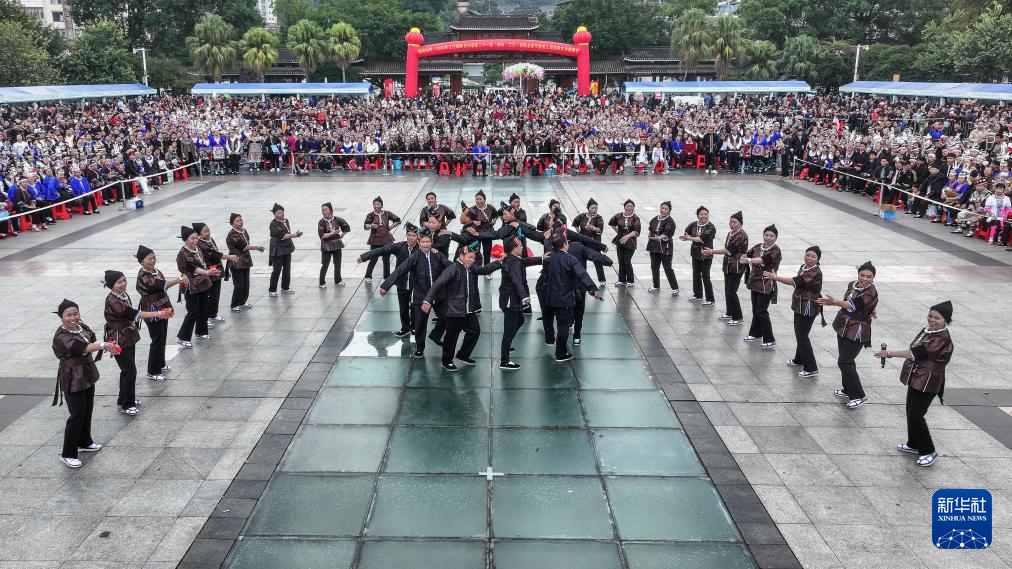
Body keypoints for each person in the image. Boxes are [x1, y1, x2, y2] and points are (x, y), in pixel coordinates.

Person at [874, 300, 954, 468]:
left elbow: (916, 352)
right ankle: (914, 444)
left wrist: (889, 353)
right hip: (918, 377)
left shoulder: (941, 338)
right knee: (910, 411)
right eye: (930, 316)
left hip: (928, 381)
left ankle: (929, 451)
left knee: (917, 415)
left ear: (946, 321)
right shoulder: (927, 331)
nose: (932, 320)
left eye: (937, 318)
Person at [421, 243, 502, 372]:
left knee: (475, 331)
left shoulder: (470, 268)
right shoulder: (452, 269)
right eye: (470, 257)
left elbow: (483, 270)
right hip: (454, 311)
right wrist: (427, 301)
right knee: (451, 338)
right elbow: (437, 284)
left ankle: (463, 355)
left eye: (473, 258)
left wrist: (499, 262)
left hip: (468, 310)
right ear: (461, 256)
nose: (472, 260)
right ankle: (447, 361)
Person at [52, 299, 114, 468]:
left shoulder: (82, 327)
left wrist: (103, 345)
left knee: (87, 409)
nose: (73, 318)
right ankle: (68, 454)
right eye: (68, 315)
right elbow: (84, 347)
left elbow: (90, 341)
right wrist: (104, 345)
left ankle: (84, 441)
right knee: (77, 414)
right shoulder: (61, 336)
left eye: (75, 314)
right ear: (61, 316)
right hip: (72, 377)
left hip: (87, 373)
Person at [103, 270, 173, 416]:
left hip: (127, 335)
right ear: (111, 285)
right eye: (119, 282)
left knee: (128, 370)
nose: (123, 284)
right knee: (129, 370)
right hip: (118, 338)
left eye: (124, 280)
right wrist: (159, 313)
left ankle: (125, 399)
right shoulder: (112, 300)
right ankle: (126, 404)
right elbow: (135, 314)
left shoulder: (122, 295)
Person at [380, 229, 451, 358]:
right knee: (420, 324)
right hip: (420, 296)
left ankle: (435, 335)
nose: (425, 244)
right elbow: (400, 270)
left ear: (431, 242)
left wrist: (462, 266)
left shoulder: (438, 255)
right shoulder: (415, 257)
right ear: (419, 243)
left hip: (437, 294)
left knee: (446, 317)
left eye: (427, 242)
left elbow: (450, 266)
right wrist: (386, 286)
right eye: (423, 242)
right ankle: (420, 347)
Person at [818, 261, 879, 409]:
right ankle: (847, 389)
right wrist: (870, 309)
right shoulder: (852, 284)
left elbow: (852, 305)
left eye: (869, 277)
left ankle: (858, 396)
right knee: (846, 360)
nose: (865, 279)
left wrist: (834, 302)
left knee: (844, 361)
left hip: (857, 330)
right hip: (843, 326)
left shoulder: (871, 292)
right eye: (862, 275)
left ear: (873, 278)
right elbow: (849, 300)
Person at [538, 231, 604, 361]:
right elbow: (582, 275)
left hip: (548, 296)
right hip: (564, 299)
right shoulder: (570, 259)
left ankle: (549, 339)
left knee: (548, 318)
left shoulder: (548, 256)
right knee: (563, 326)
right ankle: (561, 353)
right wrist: (593, 289)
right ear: (565, 244)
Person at [765, 246, 824, 378]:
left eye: (813, 256)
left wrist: (776, 277)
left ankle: (811, 368)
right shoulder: (804, 267)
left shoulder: (815, 272)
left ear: (818, 259)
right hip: (800, 304)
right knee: (799, 334)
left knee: (802, 336)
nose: (809, 258)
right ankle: (799, 359)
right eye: (807, 255)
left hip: (808, 306)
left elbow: (794, 281)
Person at [360, 222, 420, 337]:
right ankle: (405, 328)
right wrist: (364, 257)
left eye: (413, 236)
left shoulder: (421, 248)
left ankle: (414, 326)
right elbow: (382, 250)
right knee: (403, 308)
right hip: (402, 283)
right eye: (409, 235)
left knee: (415, 307)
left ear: (417, 237)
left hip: (416, 284)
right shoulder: (400, 247)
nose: (411, 238)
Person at [135, 245, 185, 380]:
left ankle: (161, 364)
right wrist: (179, 279)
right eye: (149, 259)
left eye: (154, 258)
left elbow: (162, 289)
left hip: (162, 305)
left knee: (162, 337)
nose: (153, 261)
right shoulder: (143, 276)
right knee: (156, 339)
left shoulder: (155, 271)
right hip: (151, 309)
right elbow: (161, 285)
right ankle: (153, 371)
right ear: (142, 261)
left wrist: (168, 306)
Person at [497, 237, 543, 369]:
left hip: (510, 300)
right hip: (510, 302)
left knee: (520, 321)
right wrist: (524, 297)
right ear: (514, 249)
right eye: (520, 246)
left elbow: (526, 261)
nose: (523, 247)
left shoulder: (513, 259)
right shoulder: (514, 263)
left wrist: (541, 259)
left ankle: (506, 345)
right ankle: (504, 361)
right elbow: (516, 280)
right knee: (509, 329)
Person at [176, 225, 220, 347]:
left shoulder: (197, 249)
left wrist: (209, 271)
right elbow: (194, 268)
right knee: (192, 311)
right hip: (191, 284)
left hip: (202, 283)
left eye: (196, 238)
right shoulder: (183, 253)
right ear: (186, 239)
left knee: (203, 308)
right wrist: (207, 272)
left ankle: (201, 332)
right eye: (192, 238)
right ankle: (182, 337)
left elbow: (202, 264)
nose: (195, 240)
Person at [703, 211, 748, 326]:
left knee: (732, 292)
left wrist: (712, 251)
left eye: (734, 222)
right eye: (731, 222)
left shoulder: (741, 235)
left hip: (737, 266)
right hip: (728, 266)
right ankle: (729, 312)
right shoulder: (730, 233)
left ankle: (738, 317)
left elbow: (728, 250)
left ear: (740, 223)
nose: (732, 224)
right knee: (727, 290)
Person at [741, 224, 782, 348]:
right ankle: (755, 333)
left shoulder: (776, 251)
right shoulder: (758, 246)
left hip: (767, 283)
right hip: (755, 282)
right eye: (766, 235)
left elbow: (762, 259)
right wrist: (744, 256)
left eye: (772, 236)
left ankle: (770, 339)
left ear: (776, 237)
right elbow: (748, 254)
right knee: (755, 310)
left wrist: (748, 260)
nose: (768, 238)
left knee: (762, 311)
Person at [193, 222, 234, 326]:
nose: (208, 232)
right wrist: (230, 257)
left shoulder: (210, 239)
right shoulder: (200, 244)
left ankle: (213, 314)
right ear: (199, 234)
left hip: (217, 270)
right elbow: (215, 254)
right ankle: (205, 317)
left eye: (208, 230)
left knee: (216, 295)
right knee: (209, 296)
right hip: (208, 271)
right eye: (205, 231)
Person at [225, 213, 264, 311]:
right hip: (237, 261)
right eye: (237, 221)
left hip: (246, 260)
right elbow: (244, 246)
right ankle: (234, 304)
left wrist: (251, 247)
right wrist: (257, 247)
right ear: (232, 223)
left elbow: (247, 243)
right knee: (239, 284)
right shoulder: (232, 234)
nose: (240, 222)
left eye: (241, 220)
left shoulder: (244, 231)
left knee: (246, 283)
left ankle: (242, 302)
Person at [681, 205, 717, 305]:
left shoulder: (711, 227)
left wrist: (689, 238)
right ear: (698, 215)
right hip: (695, 253)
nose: (703, 216)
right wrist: (687, 236)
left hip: (706, 254)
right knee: (696, 275)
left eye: (706, 214)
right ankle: (698, 294)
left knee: (705, 276)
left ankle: (710, 299)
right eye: (701, 214)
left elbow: (702, 239)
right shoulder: (693, 224)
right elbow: (686, 233)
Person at [364, 196, 400, 283]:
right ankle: (368, 276)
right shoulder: (370, 215)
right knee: (373, 258)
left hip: (386, 240)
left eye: (378, 204)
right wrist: (371, 226)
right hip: (375, 240)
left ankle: (386, 277)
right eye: (375, 204)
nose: (376, 206)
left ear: (382, 205)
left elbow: (398, 220)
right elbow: (365, 226)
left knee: (386, 259)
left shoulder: (387, 213)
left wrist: (390, 227)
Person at [268, 203, 302, 296]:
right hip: (277, 248)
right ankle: (272, 290)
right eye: (278, 213)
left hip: (287, 247)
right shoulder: (273, 224)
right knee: (277, 270)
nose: (280, 215)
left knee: (287, 268)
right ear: (274, 214)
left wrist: (293, 235)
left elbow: (287, 233)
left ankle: (285, 287)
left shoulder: (286, 221)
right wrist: (294, 235)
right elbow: (283, 235)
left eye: (281, 212)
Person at [645, 201, 679, 295]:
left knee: (667, 267)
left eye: (666, 209)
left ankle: (675, 287)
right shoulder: (654, 219)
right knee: (654, 267)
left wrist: (659, 238)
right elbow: (651, 230)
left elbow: (667, 233)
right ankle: (656, 285)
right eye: (662, 208)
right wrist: (650, 236)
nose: (663, 210)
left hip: (665, 247)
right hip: (654, 246)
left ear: (669, 210)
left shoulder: (670, 221)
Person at [572, 198, 607, 285]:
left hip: (594, 243)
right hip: (583, 242)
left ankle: (602, 279)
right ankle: (582, 279)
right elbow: (575, 222)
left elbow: (600, 230)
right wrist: (579, 231)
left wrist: (594, 228)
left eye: (596, 208)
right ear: (588, 208)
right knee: (582, 261)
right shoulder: (582, 216)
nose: (594, 210)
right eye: (592, 208)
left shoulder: (599, 218)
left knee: (597, 261)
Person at [609, 199, 641, 287]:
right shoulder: (619, 216)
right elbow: (612, 223)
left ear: (634, 207)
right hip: (620, 242)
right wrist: (618, 232)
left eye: (631, 206)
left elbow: (636, 231)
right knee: (621, 261)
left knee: (627, 261)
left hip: (630, 243)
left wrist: (627, 236)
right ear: (624, 207)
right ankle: (621, 280)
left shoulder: (636, 218)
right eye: (627, 206)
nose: (629, 207)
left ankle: (630, 280)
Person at [318, 202, 351, 288]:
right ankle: (322, 282)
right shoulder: (321, 222)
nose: (324, 212)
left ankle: (338, 280)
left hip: (337, 244)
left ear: (331, 211)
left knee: (337, 264)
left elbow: (346, 227)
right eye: (322, 210)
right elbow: (322, 236)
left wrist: (342, 235)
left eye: (326, 210)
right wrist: (332, 233)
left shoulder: (337, 219)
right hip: (326, 246)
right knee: (325, 265)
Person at [466, 190, 498, 269]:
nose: (478, 201)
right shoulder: (472, 209)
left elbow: (496, 215)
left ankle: (487, 268)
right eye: (477, 199)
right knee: (475, 251)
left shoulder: (490, 208)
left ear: (485, 199)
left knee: (487, 251)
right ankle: (476, 268)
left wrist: (494, 221)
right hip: (476, 233)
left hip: (488, 233)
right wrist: (473, 221)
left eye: (480, 199)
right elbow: (466, 220)